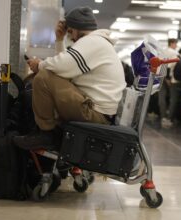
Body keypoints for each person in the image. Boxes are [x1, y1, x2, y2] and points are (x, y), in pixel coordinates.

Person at [14, 7, 126, 149]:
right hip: (98, 112)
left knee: (43, 77)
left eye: (71, 32)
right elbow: (66, 68)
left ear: (79, 28)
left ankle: (46, 134)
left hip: (94, 114)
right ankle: (49, 132)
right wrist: (59, 41)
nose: (71, 37)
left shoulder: (92, 42)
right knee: (48, 74)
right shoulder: (98, 42)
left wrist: (39, 64)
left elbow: (62, 66)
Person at [159, 38, 178, 128]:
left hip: (161, 75)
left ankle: (163, 117)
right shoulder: (174, 53)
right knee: (172, 98)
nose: (176, 45)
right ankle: (169, 118)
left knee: (162, 96)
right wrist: (168, 78)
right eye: (175, 44)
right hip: (170, 78)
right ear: (172, 43)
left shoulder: (163, 51)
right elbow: (173, 66)